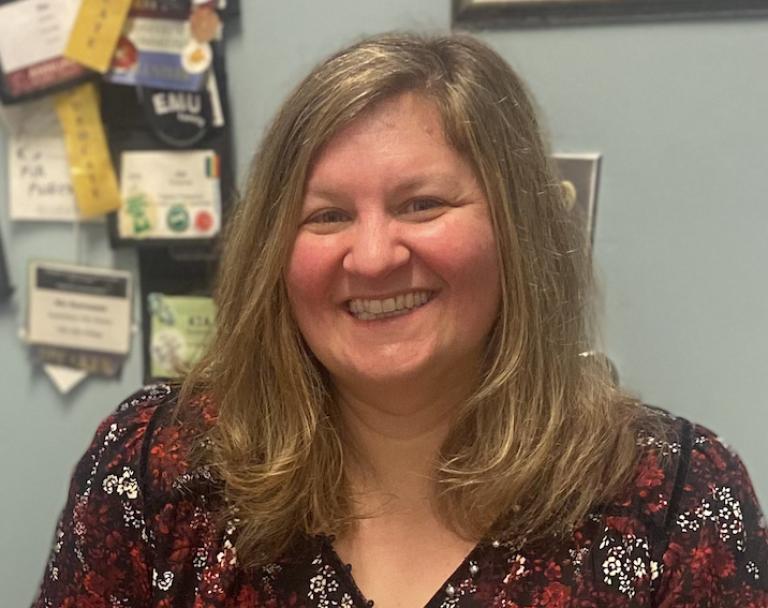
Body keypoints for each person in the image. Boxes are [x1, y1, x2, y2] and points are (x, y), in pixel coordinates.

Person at [33, 33, 766, 608]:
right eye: (327, 216)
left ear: (517, 233)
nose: (374, 256)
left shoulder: (676, 500)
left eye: (423, 205)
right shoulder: (153, 471)